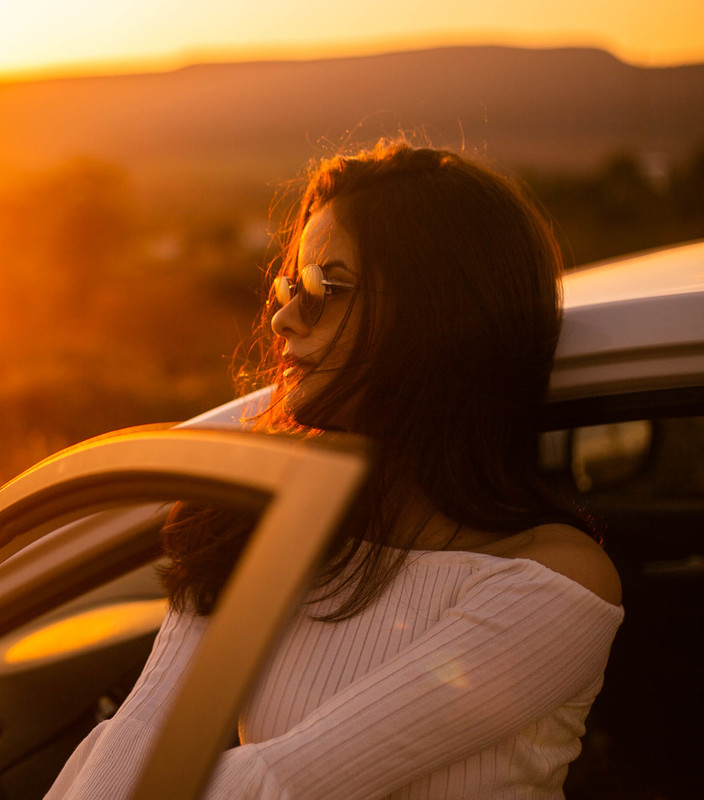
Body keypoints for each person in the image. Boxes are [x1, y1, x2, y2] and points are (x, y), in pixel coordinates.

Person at [45, 141, 623, 799]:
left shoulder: (550, 581)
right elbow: (141, 733)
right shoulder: (260, 516)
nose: (282, 316)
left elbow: (273, 787)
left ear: (440, 314)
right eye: (289, 284)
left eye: (325, 287)